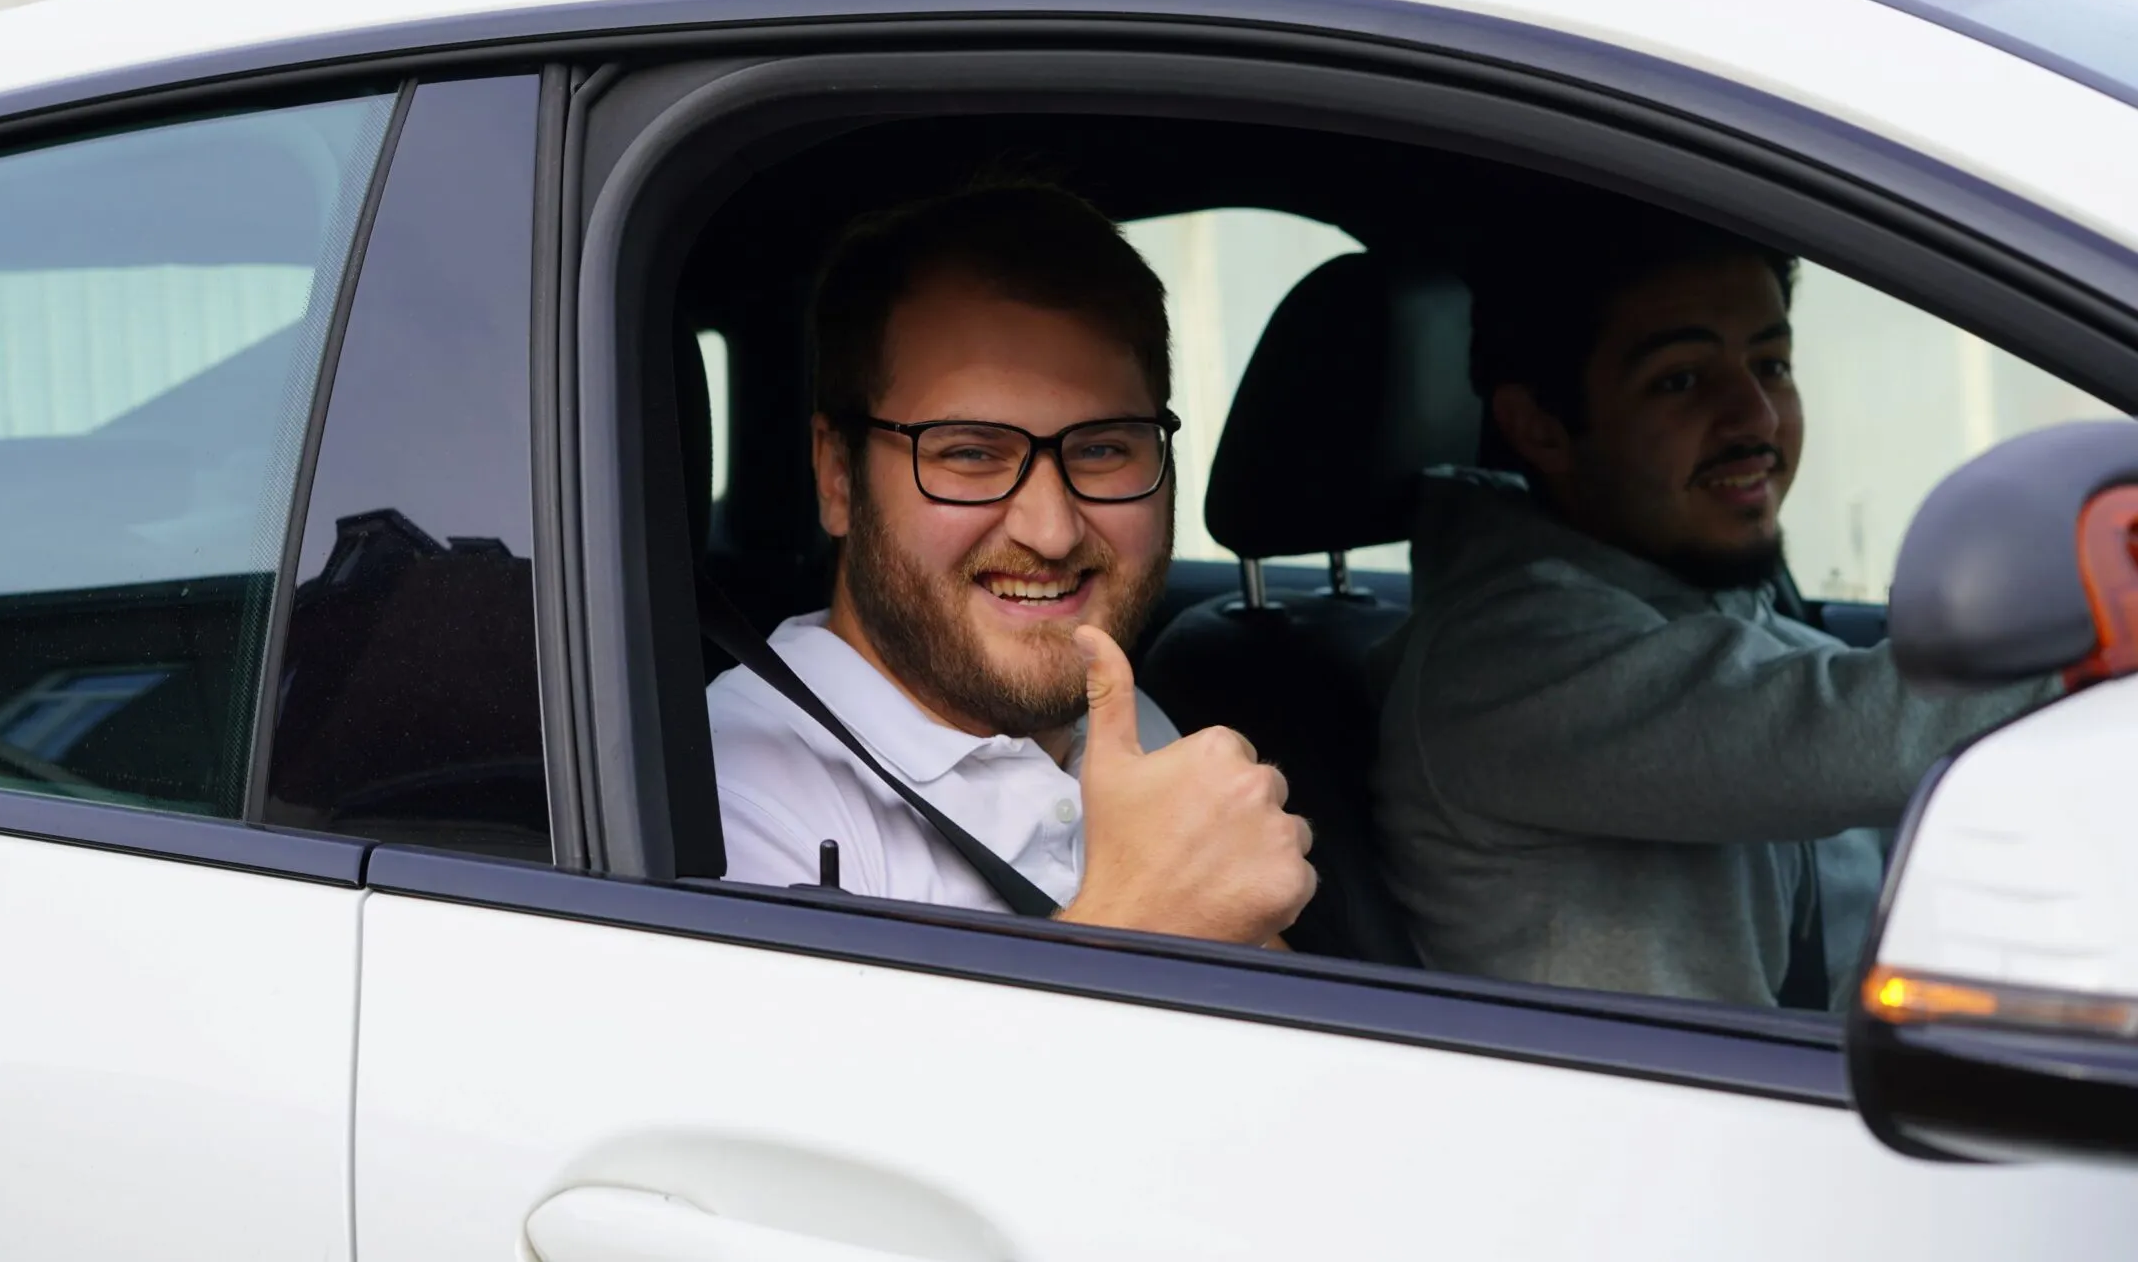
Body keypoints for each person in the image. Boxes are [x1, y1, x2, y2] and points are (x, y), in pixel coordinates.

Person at [1371, 205, 2056, 1007]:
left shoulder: (1720, 616)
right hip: (1663, 1123)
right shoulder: (1504, 663)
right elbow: (1844, 734)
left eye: (1771, 366)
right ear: (1541, 428)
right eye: (1682, 380)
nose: (1756, 420)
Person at [708, 183, 1316, 947]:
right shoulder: (736, 798)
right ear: (838, 476)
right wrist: (1140, 926)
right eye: (969, 452)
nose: (1053, 532)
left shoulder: (1121, 722)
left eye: (1100, 449)